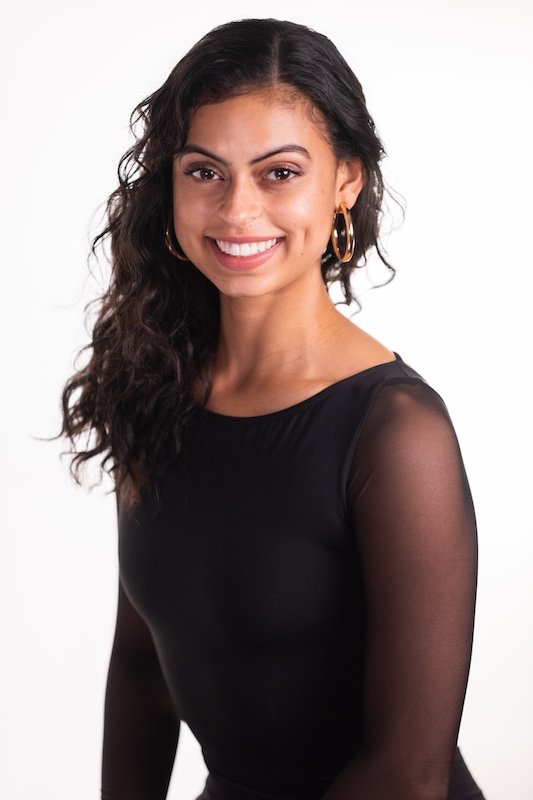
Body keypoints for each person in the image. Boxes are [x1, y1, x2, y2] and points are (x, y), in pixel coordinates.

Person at [58, 18, 486, 800]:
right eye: (204, 172)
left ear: (345, 181)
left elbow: (407, 774)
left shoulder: (394, 433)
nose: (236, 211)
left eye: (279, 172)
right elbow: (143, 668)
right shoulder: (154, 386)